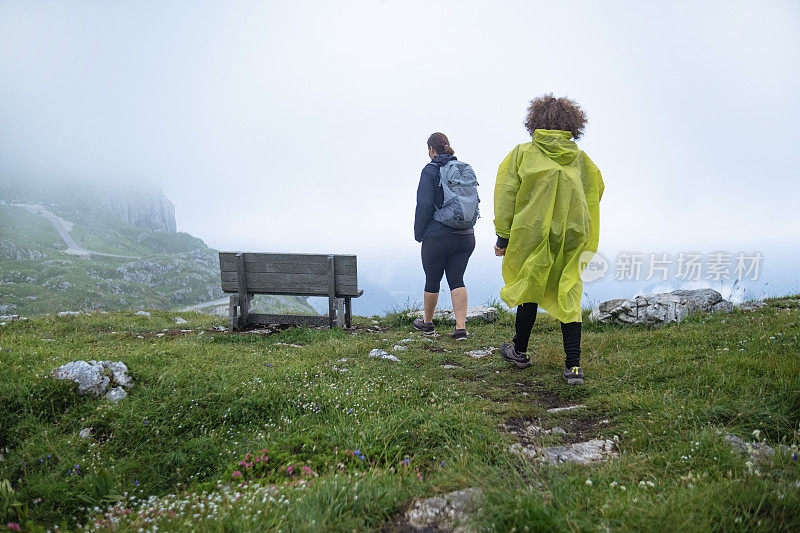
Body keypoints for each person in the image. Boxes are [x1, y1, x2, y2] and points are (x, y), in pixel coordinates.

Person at [493, 95, 604, 384]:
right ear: (572, 124)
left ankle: (519, 350)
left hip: (532, 232)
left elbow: (505, 195)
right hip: (573, 233)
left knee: (530, 284)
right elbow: (595, 192)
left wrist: (503, 237)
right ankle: (573, 367)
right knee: (569, 288)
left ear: (535, 121)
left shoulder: (522, 154)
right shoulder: (581, 160)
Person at [413, 132, 477, 340]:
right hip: (466, 235)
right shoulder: (461, 169)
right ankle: (460, 329)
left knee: (432, 279)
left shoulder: (430, 171)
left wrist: (419, 232)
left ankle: (428, 323)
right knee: (457, 279)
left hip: (437, 236)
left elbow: (423, 205)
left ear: (431, 150)